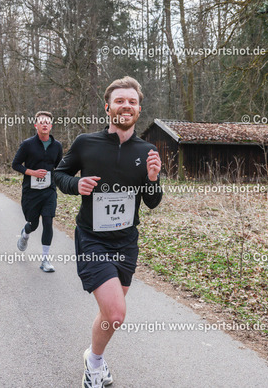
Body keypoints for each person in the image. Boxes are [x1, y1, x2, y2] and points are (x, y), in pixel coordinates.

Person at [55, 76, 162, 387]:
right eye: (119, 101)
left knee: (109, 314)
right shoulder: (85, 143)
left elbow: (152, 202)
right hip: (92, 238)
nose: (125, 106)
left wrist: (152, 179)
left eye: (131, 102)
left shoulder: (147, 149)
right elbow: (59, 174)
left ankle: (94, 357)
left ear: (138, 109)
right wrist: (76, 184)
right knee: (115, 313)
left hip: (126, 242)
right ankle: (94, 366)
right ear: (108, 108)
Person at [11, 111, 63, 272]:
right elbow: (15, 164)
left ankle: (45, 260)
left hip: (49, 191)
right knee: (33, 224)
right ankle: (25, 233)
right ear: (36, 125)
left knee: (48, 221)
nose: (45, 124)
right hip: (31, 192)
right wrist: (32, 172)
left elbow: (59, 167)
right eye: (41, 122)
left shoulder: (57, 146)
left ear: (51, 126)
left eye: (47, 122)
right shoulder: (27, 144)